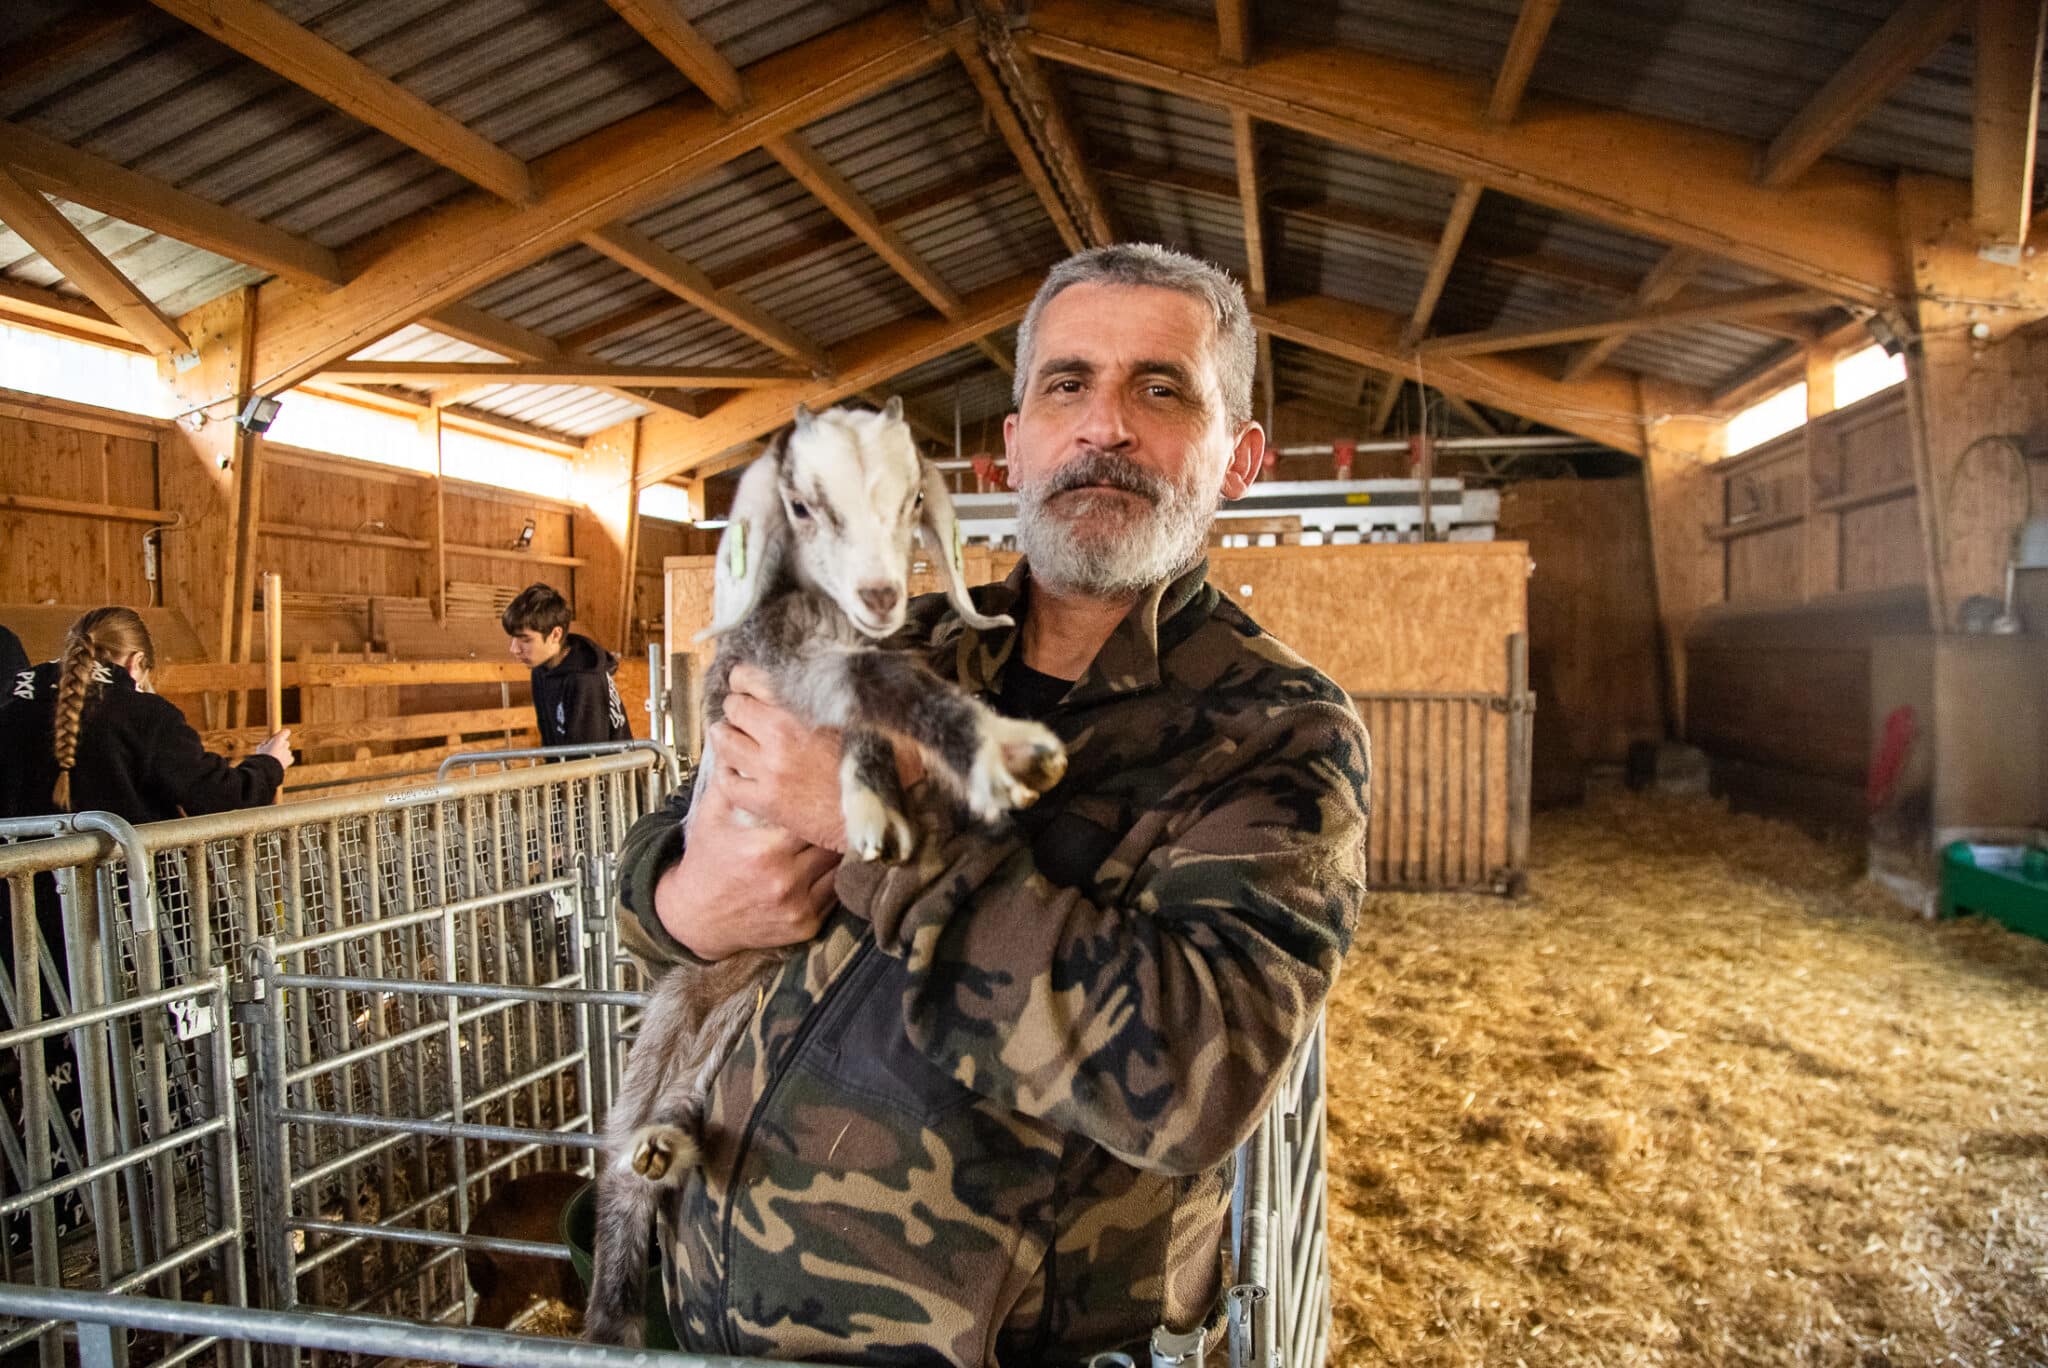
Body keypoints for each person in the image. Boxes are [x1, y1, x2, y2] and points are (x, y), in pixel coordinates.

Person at [612, 244, 1372, 1365]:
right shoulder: (892, 642)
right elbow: (656, 869)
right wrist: (682, 900)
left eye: (1160, 390)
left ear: (1238, 459)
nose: (1103, 425)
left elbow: (1192, 1078)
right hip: (700, 1322)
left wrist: (871, 829)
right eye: (1066, 384)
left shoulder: (1275, 731)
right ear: (1011, 445)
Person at [0, 605, 292, 1258]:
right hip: (123, 930)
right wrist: (270, 764)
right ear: (137, 665)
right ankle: (147, 1201)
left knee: (46, 1056)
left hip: (27, 936)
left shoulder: (12, 706)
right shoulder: (142, 714)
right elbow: (219, 794)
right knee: (141, 1051)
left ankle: (50, 1218)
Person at [502, 583, 631, 749]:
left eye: (525, 640)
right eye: (513, 639)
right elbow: (550, 744)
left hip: (607, 772)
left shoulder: (585, 680)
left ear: (556, 634)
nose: (514, 649)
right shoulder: (541, 671)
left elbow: (589, 759)